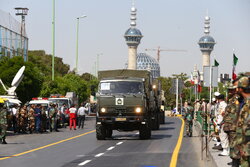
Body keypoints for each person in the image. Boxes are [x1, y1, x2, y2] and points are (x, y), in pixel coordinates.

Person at [223, 79, 242, 167]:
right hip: (230, 127)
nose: (229, 91)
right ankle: (235, 161)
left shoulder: (238, 99)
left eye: (231, 90)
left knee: (235, 149)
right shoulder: (231, 99)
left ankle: (236, 163)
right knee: (233, 148)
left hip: (235, 128)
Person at [235, 76, 250, 167]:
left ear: (241, 88)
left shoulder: (247, 105)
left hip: (247, 145)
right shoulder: (245, 103)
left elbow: (244, 127)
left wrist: (241, 145)